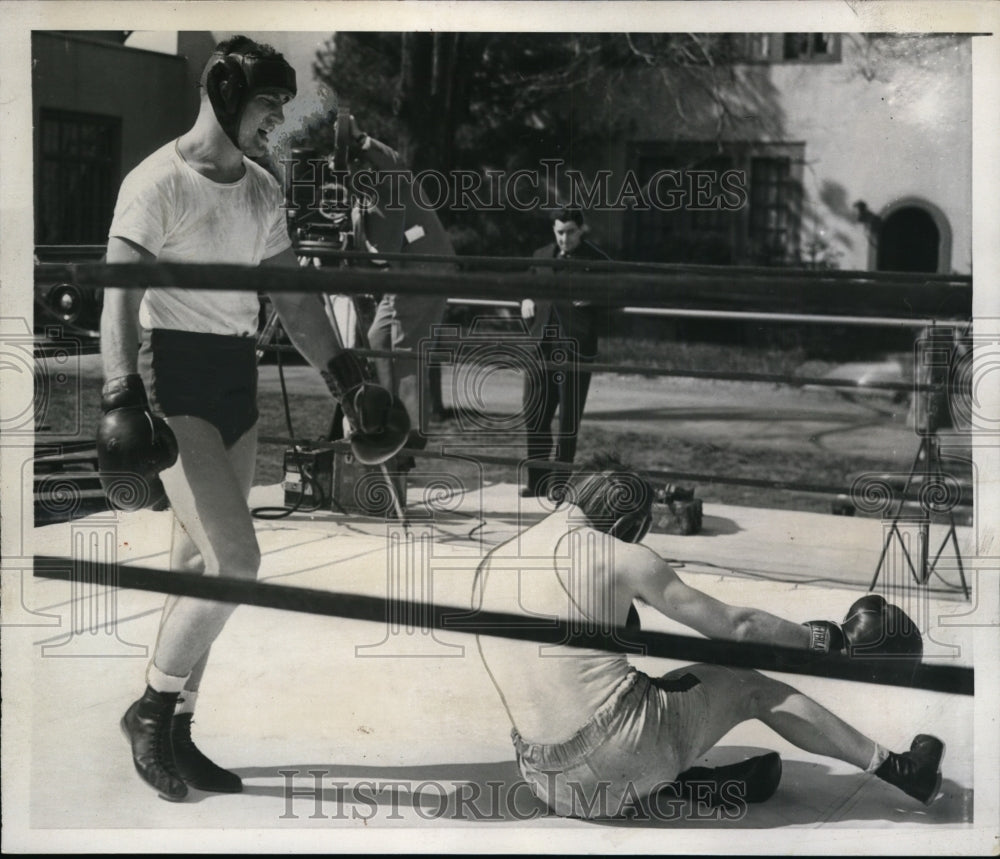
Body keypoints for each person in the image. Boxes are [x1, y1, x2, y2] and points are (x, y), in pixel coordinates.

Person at [99, 36, 408, 802]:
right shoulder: (156, 181)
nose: (276, 120)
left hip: (238, 380)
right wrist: (118, 393)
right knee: (237, 562)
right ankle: (150, 708)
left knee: (197, 570)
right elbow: (119, 294)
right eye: (268, 104)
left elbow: (295, 301)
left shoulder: (264, 190)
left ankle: (177, 728)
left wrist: (347, 381)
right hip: (176, 382)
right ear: (229, 91)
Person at [472, 453, 943, 819]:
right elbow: (737, 628)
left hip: (544, 780)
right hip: (619, 754)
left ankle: (678, 781)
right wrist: (827, 640)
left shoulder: (495, 561)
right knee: (750, 686)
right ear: (625, 527)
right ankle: (903, 770)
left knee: (658, 686)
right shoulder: (619, 554)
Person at [342, 119, 456, 446]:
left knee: (406, 345)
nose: (353, 177)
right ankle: (385, 411)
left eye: (357, 168)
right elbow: (372, 253)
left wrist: (361, 139)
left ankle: (411, 430)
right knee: (379, 336)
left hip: (426, 271)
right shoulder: (364, 204)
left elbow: (392, 161)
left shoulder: (395, 182)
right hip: (402, 274)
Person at [521, 206, 611, 498]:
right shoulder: (540, 256)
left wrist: (597, 298)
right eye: (559, 232)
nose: (564, 238)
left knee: (568, 421)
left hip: (574, 348)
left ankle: (559, 485)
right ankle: (537, 481)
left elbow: (620, 292)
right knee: (534, 413)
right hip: (540, 346)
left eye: (570, 231)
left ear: (581, 229)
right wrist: (524, 298)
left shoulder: (597, 260)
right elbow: (527, 284)